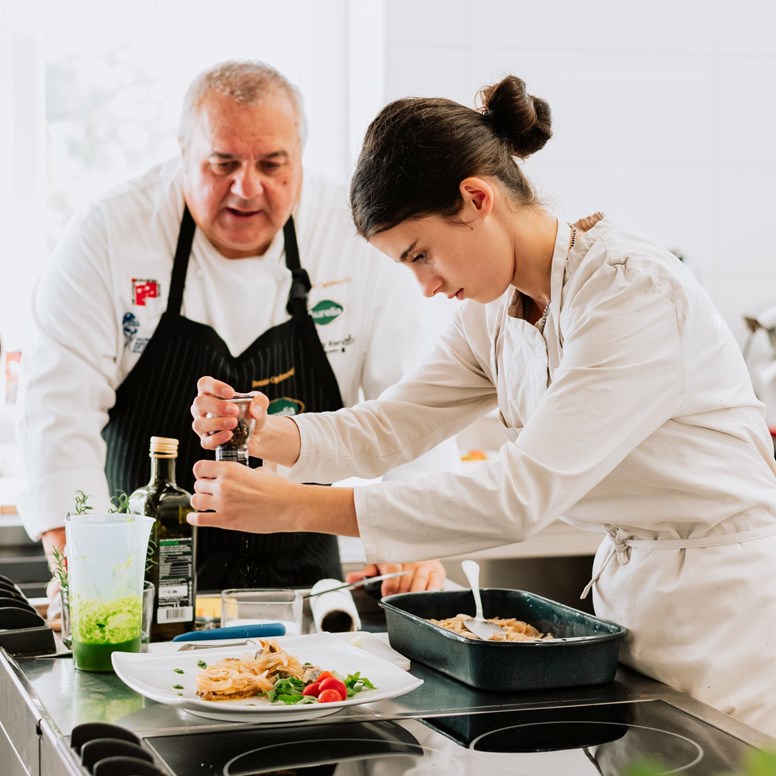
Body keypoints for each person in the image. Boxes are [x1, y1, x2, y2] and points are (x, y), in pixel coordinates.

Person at [187, 74, 776, 737]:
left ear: (476, 198)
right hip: (637, 605)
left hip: (732, 619)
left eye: (421, 255)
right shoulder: (496, 310)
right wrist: (269, 432)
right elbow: (395, 422)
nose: (427, 285)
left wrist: (295, 507)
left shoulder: (628, 293)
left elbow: (517, 495)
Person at [16, 59, 452, 610]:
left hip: (310, 596)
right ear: (182, 152)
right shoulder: (109, 233)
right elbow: (57, 410)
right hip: (140, 589)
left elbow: (414, 405)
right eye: (223, 164)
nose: (247, 188)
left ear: (300, 155)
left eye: (273, 165)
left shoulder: (351, 236)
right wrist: (79, 563)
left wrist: (416, 539)